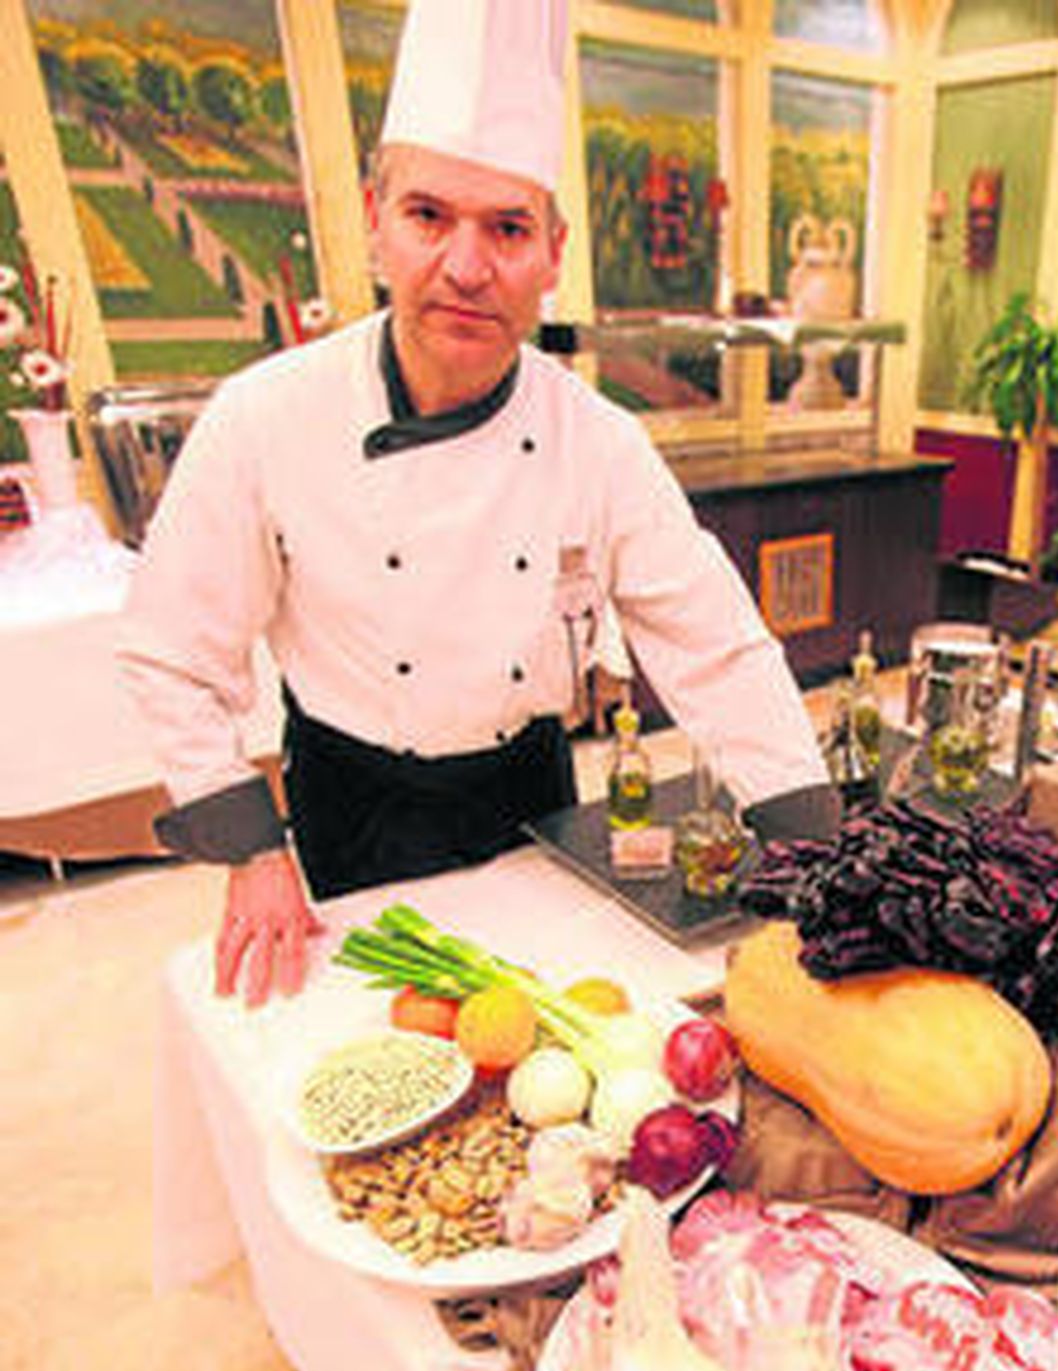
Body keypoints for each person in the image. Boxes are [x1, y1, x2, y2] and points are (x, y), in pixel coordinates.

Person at [118, 0, 837, 1008]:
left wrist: (815, 839)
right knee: (369, 1039)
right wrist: (249, 844)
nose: (466, 267)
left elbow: (715, 646)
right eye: (428, 217)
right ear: (375, 221)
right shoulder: (264, 417)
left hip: (530, 793)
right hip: (348, 798)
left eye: (506, 228)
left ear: (552, 249)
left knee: (537, 1034)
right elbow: (172, 648)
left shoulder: (599, 440)